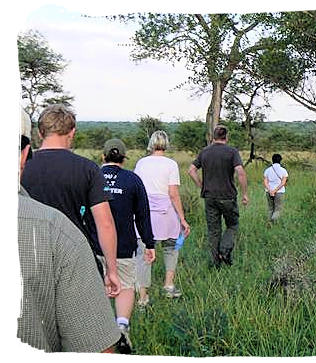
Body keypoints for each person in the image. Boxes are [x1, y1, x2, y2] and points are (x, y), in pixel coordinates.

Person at [18, 108, 122, 352]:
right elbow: (104, 222)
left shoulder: (25, 167)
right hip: (74, 263)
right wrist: (112, 269)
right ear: (72, 132)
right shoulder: (87, 168)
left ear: (40, 132)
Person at [99, 138, 156, 345]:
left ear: (103, 156)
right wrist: (149, 244)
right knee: (124, 286)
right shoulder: (132, 180)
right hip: (124, 247)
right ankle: (121, 325)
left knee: (98, 286)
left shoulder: (92, 176)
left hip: (94, 247)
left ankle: (99, 331)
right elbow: (142, 216)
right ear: (124, 158)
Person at [134, 130, 191, 304]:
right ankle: (168, 285)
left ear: (151, 143)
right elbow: (173, 193)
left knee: (143, 253)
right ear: (166, 144)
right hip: (165, 212)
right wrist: (182, 218)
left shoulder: (141, 163)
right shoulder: (170, 164)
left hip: (144, 212)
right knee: (171, 247)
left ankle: (143, 296)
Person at [188, 125, 249, 268]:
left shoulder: (205, 152)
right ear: (226, 137)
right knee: (233, 225)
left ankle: (216, 263)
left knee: (214, 231)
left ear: (213, 137)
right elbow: (240, 172)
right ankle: (224, 251)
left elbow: (191, 170)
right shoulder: (232, 152)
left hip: (209, 197)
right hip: (228, 196)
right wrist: (245, 193)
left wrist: (201, 186)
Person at [263, 153, 288, 222]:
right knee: (278, 209)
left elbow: (265, 182)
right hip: (279, 192)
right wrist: (275, 191)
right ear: (280, 160)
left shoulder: (267, 170)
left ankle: (269, 222)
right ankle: (273, 220)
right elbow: (283, 183)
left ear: (272, 160)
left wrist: (270, 190)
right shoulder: (283, 170)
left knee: (270, 208)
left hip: (268, 192)